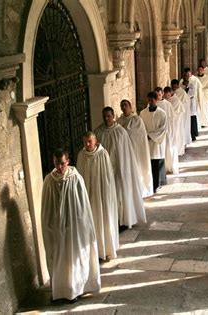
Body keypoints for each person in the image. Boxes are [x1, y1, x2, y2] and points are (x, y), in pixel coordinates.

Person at [41, 148, 100, 302]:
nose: (59, 167)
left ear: (68, 161)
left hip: (74, 227)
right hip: (56, 228)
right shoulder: (49, 180)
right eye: (56, 164)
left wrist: (81, 225)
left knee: (74, 258)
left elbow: (83, 206)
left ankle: (75, 289)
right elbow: (46, 206)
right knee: (59, 259)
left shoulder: (76, 178)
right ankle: (60, 290)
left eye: (62, 163)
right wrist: (49, 226)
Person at [95, 106, 146, 229]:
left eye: (109, 116)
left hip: (119, 170)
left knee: (119, 194)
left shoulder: (120, 132)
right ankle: (110, 220)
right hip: (105, 170)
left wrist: (124, 169)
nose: (107, 119)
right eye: (105, 116)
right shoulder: (98, 132)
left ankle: (122, 219)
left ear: (113, 116)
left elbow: (126, 153)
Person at [77, 132, 119, 260]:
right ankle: (92, 252)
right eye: (85, 142)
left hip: (101, 196)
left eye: (90, 141)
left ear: (95, 141)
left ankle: (105, 249)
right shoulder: (81, 155)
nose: (87, 144)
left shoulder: (103, 154)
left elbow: (108, 178)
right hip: (88, 196)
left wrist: (105, 196)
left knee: (103, 221)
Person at [117, 99, 154, 197]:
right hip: (124, 152)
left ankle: (140, 190)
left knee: (138, 170)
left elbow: (139, 136)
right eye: (122, 106)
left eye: (125, 105)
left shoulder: (137, 120)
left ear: (130, 107)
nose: (123, 107)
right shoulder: (119, 121)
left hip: (136, 151)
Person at [140, 91, 167, 193]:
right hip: (146, 141)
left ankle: (158, 183)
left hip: (156, 142)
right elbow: (140, 127)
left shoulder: (162, 113)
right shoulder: (143, 113)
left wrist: (150, 135)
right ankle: (149, 184)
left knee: (157, 163)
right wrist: (144, 135)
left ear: (156, 100)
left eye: (152, 100)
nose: (150, 102)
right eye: (149, 100)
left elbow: (163, 129)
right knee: (148, 163)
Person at [155, 87, 179, 174]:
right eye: (156, 94)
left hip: (167, 130)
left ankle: (168, 166)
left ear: (162, 94)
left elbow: (172, 117)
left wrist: (170, 129)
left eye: (160, 94)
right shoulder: (153, 105)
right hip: (156, 131)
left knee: (168, 147)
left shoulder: (167, 104)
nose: (158, 96)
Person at [180, 67, 201, 141]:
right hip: (184, 104)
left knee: (192, 119)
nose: (186, 77)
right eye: (185, 75)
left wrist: (186, 91)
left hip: (191, 103)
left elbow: (192, 93)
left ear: (189, 75)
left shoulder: (192, 83)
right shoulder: (180, 83)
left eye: (187, 75)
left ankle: (193, 134)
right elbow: (180, 93)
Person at [164, 86, 186, 156]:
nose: (167, 96)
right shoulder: (167, 100)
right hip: (171, 121)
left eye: (168, 94)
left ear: (171, 93)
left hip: (176, 121)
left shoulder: (176, 101)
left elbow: (174, 112)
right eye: (165, 95)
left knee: (176, 134)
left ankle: (178, 150)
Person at [171, 79, 192, 150]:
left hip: (182, 112)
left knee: (183, 127)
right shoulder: (172, 92)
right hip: (176, 113)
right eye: (172, 86)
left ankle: (184, 142)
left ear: (177, 85)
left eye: (175, 86)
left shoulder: (182, 92)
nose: (174, 87)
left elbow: (183, 102)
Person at [196, 61, 208, 126]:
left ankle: (204, 121)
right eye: (199, 70)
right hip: (197, 97)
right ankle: (199, 122)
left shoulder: (206, 79)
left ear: (203, 71)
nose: (200, 71)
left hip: (204, 97)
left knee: (204, 109)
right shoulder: (195, 79)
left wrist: (202, 92)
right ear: (197, 71)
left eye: (201, 70)